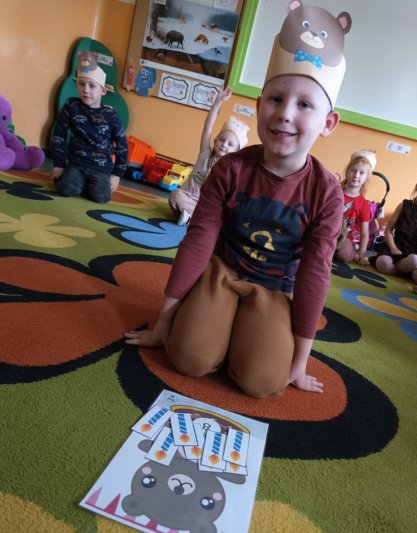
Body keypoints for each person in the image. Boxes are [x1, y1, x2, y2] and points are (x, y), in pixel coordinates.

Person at [125, 2, 352, 397]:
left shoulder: (327, 193)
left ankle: (243, 332)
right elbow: (198, 241)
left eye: (304, 105)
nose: (285, 114)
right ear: (260, 105)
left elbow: (315, 274)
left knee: (263, 382)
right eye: (276, 99)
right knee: (188, 358)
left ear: (328, 122)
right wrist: (164, 323)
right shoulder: (229, 169)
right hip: (222, 271)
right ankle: (211, 321)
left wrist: (298, 363)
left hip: (275, 288)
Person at [50, 55, 128, 203]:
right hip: (76, 164)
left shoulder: (111, 115)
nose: (85, 90)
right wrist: (59, 164)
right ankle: (76, 181)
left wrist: (117, 175)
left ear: (103, 91)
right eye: (81, 84)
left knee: (101, 197)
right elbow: (59, 134)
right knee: (67, 188)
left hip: (101, 169)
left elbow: (122, 146)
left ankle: (85, 184)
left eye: (92, 86)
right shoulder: (71, 106)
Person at [168, 87, 249, 225]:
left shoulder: (230, 169)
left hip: (207, 206)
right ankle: (193, 217)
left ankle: (192, 217)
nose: (224, 145)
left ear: (236, 151)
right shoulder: (205, 155)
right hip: (188, 199)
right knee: (175, 195)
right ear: (215, 140)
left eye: (230, 144)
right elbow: (208, 127)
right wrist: (218, 102)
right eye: (222, 140)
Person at [334, 149, 377, 265]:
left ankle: (351, 250)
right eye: (353, 170)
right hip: (327, 230)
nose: (356, 175)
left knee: (344, 255)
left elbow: (364, 233)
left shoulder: (363, 205)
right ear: (347, 171)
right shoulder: (334, 192)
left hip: (344, 238)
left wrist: (362, 254)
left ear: (367, 177)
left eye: (361, 173)